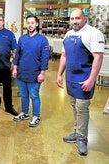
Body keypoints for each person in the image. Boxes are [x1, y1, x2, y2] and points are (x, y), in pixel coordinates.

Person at [56, 9, 104, 156]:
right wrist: (59, 74)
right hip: (70, 79)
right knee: (74, 107)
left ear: (85, 19)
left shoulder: (93, 33)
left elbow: (98, 57)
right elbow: (64, 56)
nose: (74, 21)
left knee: (82, 108)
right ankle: (77, 132)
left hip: (84, 79)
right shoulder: (68, 34)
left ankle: (82, 139)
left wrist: (91, 79)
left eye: (77, 18)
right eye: (72, 19)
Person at [12, 15, 50, 127]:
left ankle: (36, 116)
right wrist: (15, 67)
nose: (30, 25)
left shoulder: (42, 40)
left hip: (35, 73)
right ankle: (24, 113)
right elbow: (17, 54)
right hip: (22, 72)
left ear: (37, 24)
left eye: (32, 23)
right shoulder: (22, 38)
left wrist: (42, 73)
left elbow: (45, 57)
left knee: (34, 95)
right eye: (28, 23)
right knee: (23, 95)